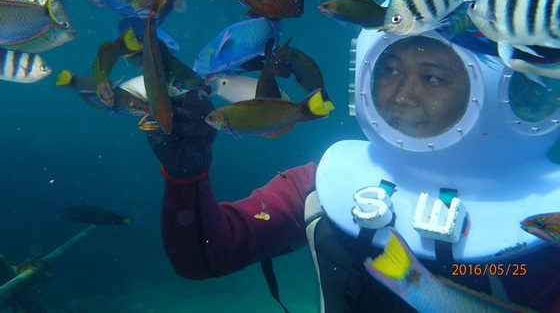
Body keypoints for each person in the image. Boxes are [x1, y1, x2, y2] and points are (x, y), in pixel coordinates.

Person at [147, 22, 560, 311]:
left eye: (432, 78)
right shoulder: (321, 185)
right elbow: (204, 258)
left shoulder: (548, 227)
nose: (402, 95)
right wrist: (187, 175)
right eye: (390, 70)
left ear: (512, 94)